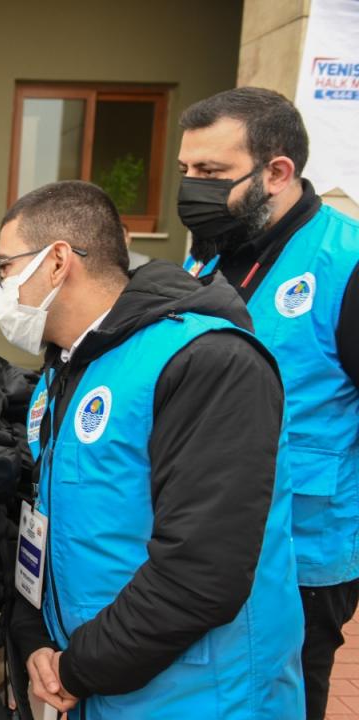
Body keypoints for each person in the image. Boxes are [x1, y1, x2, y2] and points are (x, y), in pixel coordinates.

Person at [0, 181, 303, 717]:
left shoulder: (207, 361)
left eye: (4, 267)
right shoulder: (67, 367)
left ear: (56, 262)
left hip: (202, 697)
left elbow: (202, 570)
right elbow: (44, 517)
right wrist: (35, 641)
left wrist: (76, 669)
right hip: (103, 685)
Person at [176, 86, 359, 720]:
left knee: (288, 698)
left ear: (277, 172)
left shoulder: (347, 261)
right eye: (185, 171)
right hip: (205, 538)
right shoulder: (209, 252)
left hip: (305, 546)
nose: (191, 189)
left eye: (211, 173)